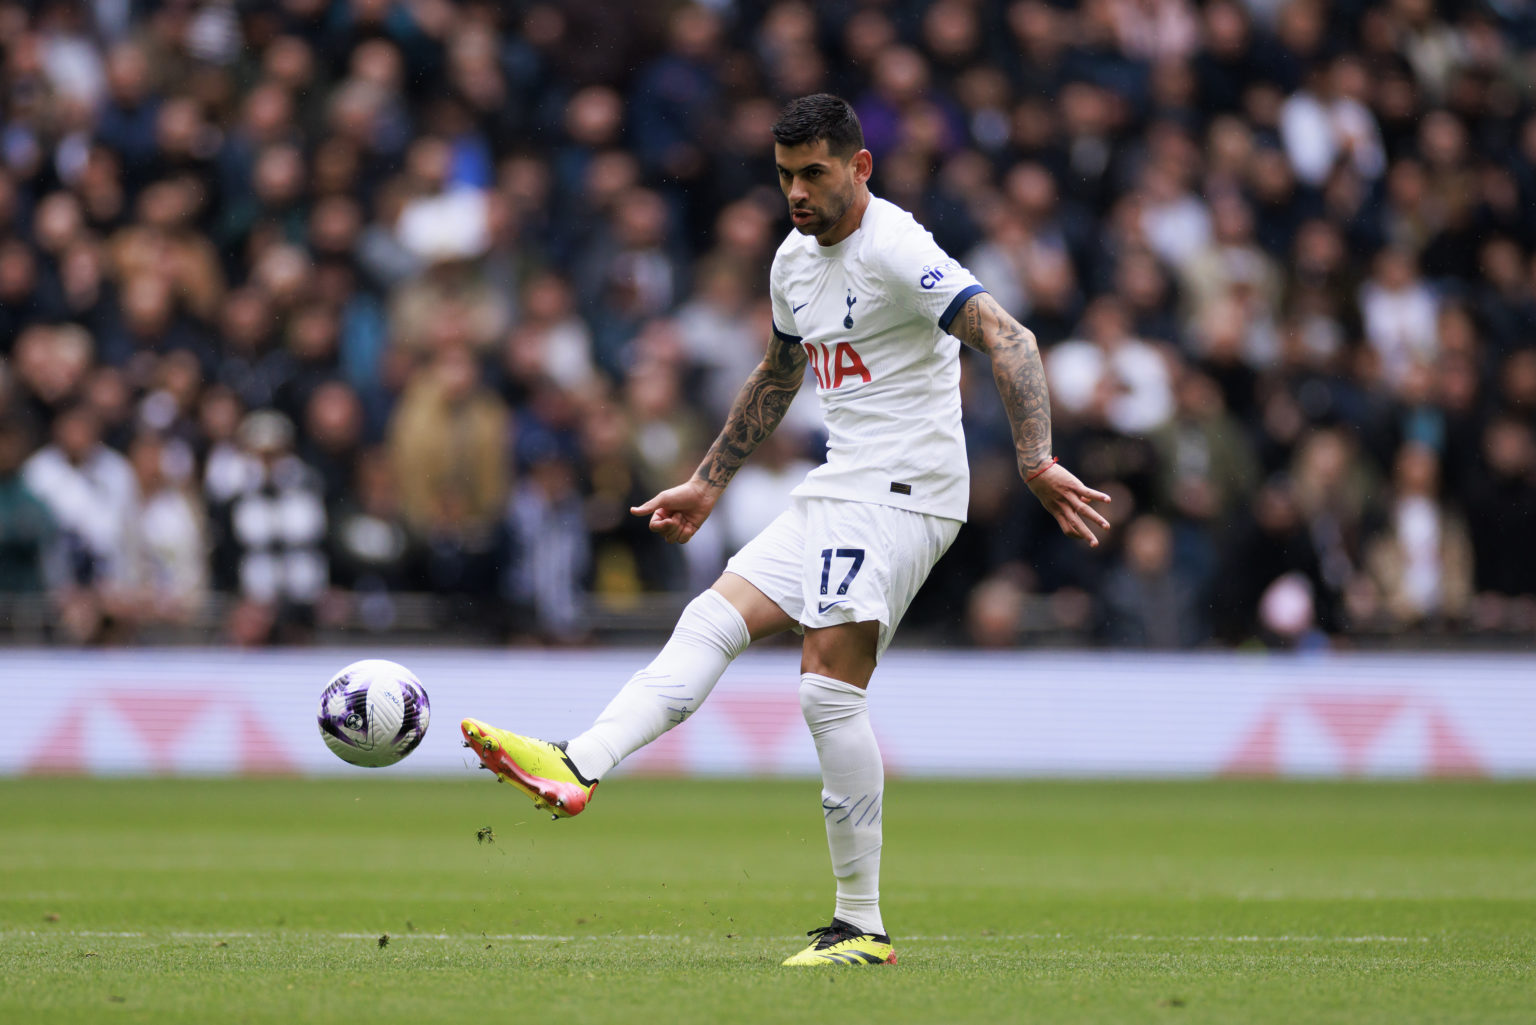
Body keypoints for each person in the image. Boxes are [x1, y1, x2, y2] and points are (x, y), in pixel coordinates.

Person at [461, 94, 1110, 968]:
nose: (797, 192)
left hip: (907, 491)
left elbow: (1011, 336)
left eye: (814, 173)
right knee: (711, 617)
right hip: (840, 484)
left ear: (859, 166)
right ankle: (580, 762)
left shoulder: (897, 247)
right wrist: (706, 479)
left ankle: (862, 925)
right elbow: (777, 373)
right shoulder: (793, 263)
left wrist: (1035, 460)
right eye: (784, 177)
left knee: (825, 689)